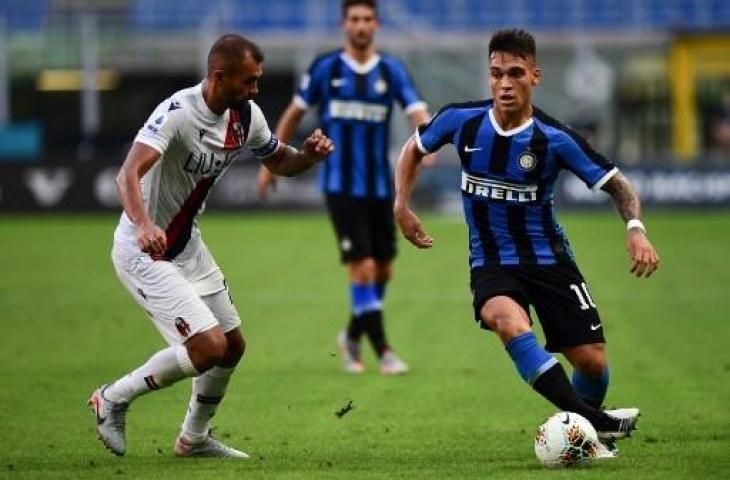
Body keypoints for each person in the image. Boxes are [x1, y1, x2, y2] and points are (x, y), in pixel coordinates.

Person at [393, 29, 660, 454]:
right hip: (491, 262)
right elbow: (412, 149)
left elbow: (619, 186)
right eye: (496, 73)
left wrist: (635, 229)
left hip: (549, 261)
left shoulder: (556, 139)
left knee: (593, 365)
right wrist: (401, 205)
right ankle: (595, 424)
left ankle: (583, 429)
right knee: (505, 320)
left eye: (515, 73)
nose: (504, 83)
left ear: (535, 76)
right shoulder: (461, 121)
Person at [88, 34, 334, 458]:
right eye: (248, 81)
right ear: (219, 77)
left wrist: (308, 156)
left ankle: (193, 438)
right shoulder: (178, 113)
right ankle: (112, 397)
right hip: (144, 250)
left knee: (233, 348)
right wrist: (143, 223)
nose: (255, 90)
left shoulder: (246, 115)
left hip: (186, 247)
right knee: (208, 347)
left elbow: (279, 161)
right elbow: (127, 173)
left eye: (257, 81)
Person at [257, 0, 431, 375]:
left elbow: (418, 112)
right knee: (364, 269)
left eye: (367, 19)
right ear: (344, 24)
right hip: (340, 186)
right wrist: (271, 162)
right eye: (354, 19)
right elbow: (294, 112)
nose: (361, 25)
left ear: (377, 24)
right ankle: (383, 350)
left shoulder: (391, 69)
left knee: (383, 271)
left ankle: (351, 336)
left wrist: (429, 141)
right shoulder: (326, 68)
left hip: (381, 187)